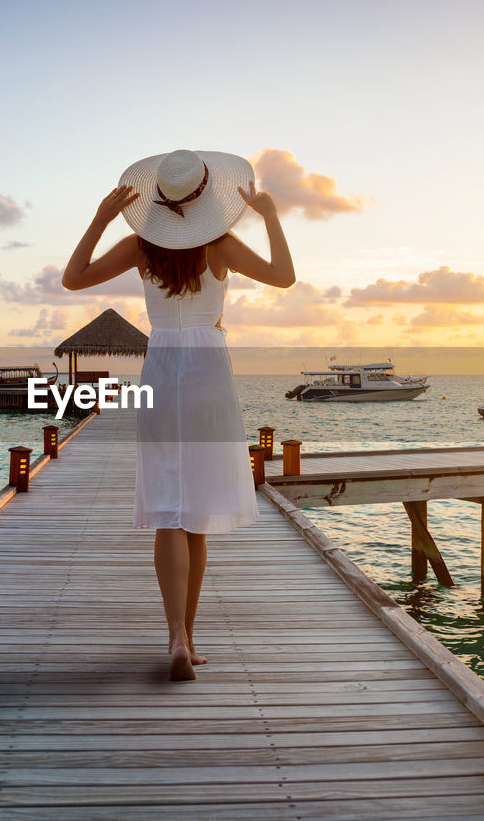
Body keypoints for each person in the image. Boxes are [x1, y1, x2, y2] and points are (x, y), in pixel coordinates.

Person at [62, 149, 295, 681]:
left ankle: (176, 638)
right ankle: (188, 638)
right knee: (199, 516)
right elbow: (284, 276)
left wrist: (100, 219)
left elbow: (73, 280)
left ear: (158, 199)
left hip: (163, 364)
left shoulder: (140, 247)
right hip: (211, 372)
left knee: (170, 505)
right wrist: (271, 216)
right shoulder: (221, 245)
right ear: (209, 196)